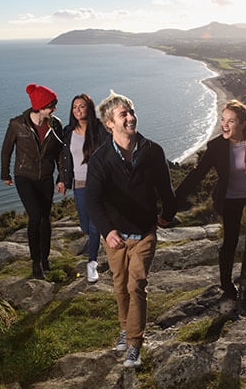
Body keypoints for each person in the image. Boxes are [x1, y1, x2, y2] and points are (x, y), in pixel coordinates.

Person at [86, 91, 176, 367]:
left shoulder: (152, 151)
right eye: (123, 114)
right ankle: (126, 328)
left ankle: (134, 344)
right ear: (109, 123)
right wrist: (107, 230)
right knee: (120, 287)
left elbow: (167, 191)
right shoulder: (100, 159)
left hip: (144, 233)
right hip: (115, 237)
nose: (130, 118)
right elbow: (92, 200)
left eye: (131, 112)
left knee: (136, 285)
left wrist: (166, 215)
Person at [175, 99, 246, 314]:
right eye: (223, 120)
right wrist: (173, 201)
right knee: (230, 241)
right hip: (231, 197)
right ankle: (227, 286)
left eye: (231, 121)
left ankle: (245, 291)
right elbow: (197, 175)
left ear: (243, 123)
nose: (225, 125)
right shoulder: (217, 145)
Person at [1, 83, 65, 280]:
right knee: (35, 216)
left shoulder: (56, 125)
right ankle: (35, 263)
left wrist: (61, 178)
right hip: (24, 177)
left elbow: (61, 154)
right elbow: (6, 149)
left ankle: (45, 260)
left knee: (46, 219)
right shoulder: (16, 124)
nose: (54, 110)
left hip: (46, 178)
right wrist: (5, 174)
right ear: (40, 106)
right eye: (51, 106)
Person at [57, 94, 109, 283]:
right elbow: (64, 158)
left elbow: (111, 152)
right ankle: (106, 235)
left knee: (94, 226)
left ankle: (92, 263)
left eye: (82, 106)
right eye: (75, 107)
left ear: (89, 108)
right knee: (86, 226)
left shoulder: (100, 129)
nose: (78, 110)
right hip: (79, 183)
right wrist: (62, 180)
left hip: (98, 182)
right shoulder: (68, 131)